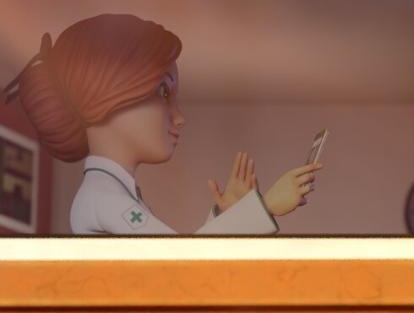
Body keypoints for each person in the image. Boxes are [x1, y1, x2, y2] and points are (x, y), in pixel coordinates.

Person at [2, 13, 320, 234]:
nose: (179, 117)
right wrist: (266, 208)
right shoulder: (105, 200)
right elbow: (180, 269)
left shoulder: (112, 194)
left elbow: (176, 266)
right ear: (106, 93)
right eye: (163, 92)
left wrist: (227, 217)